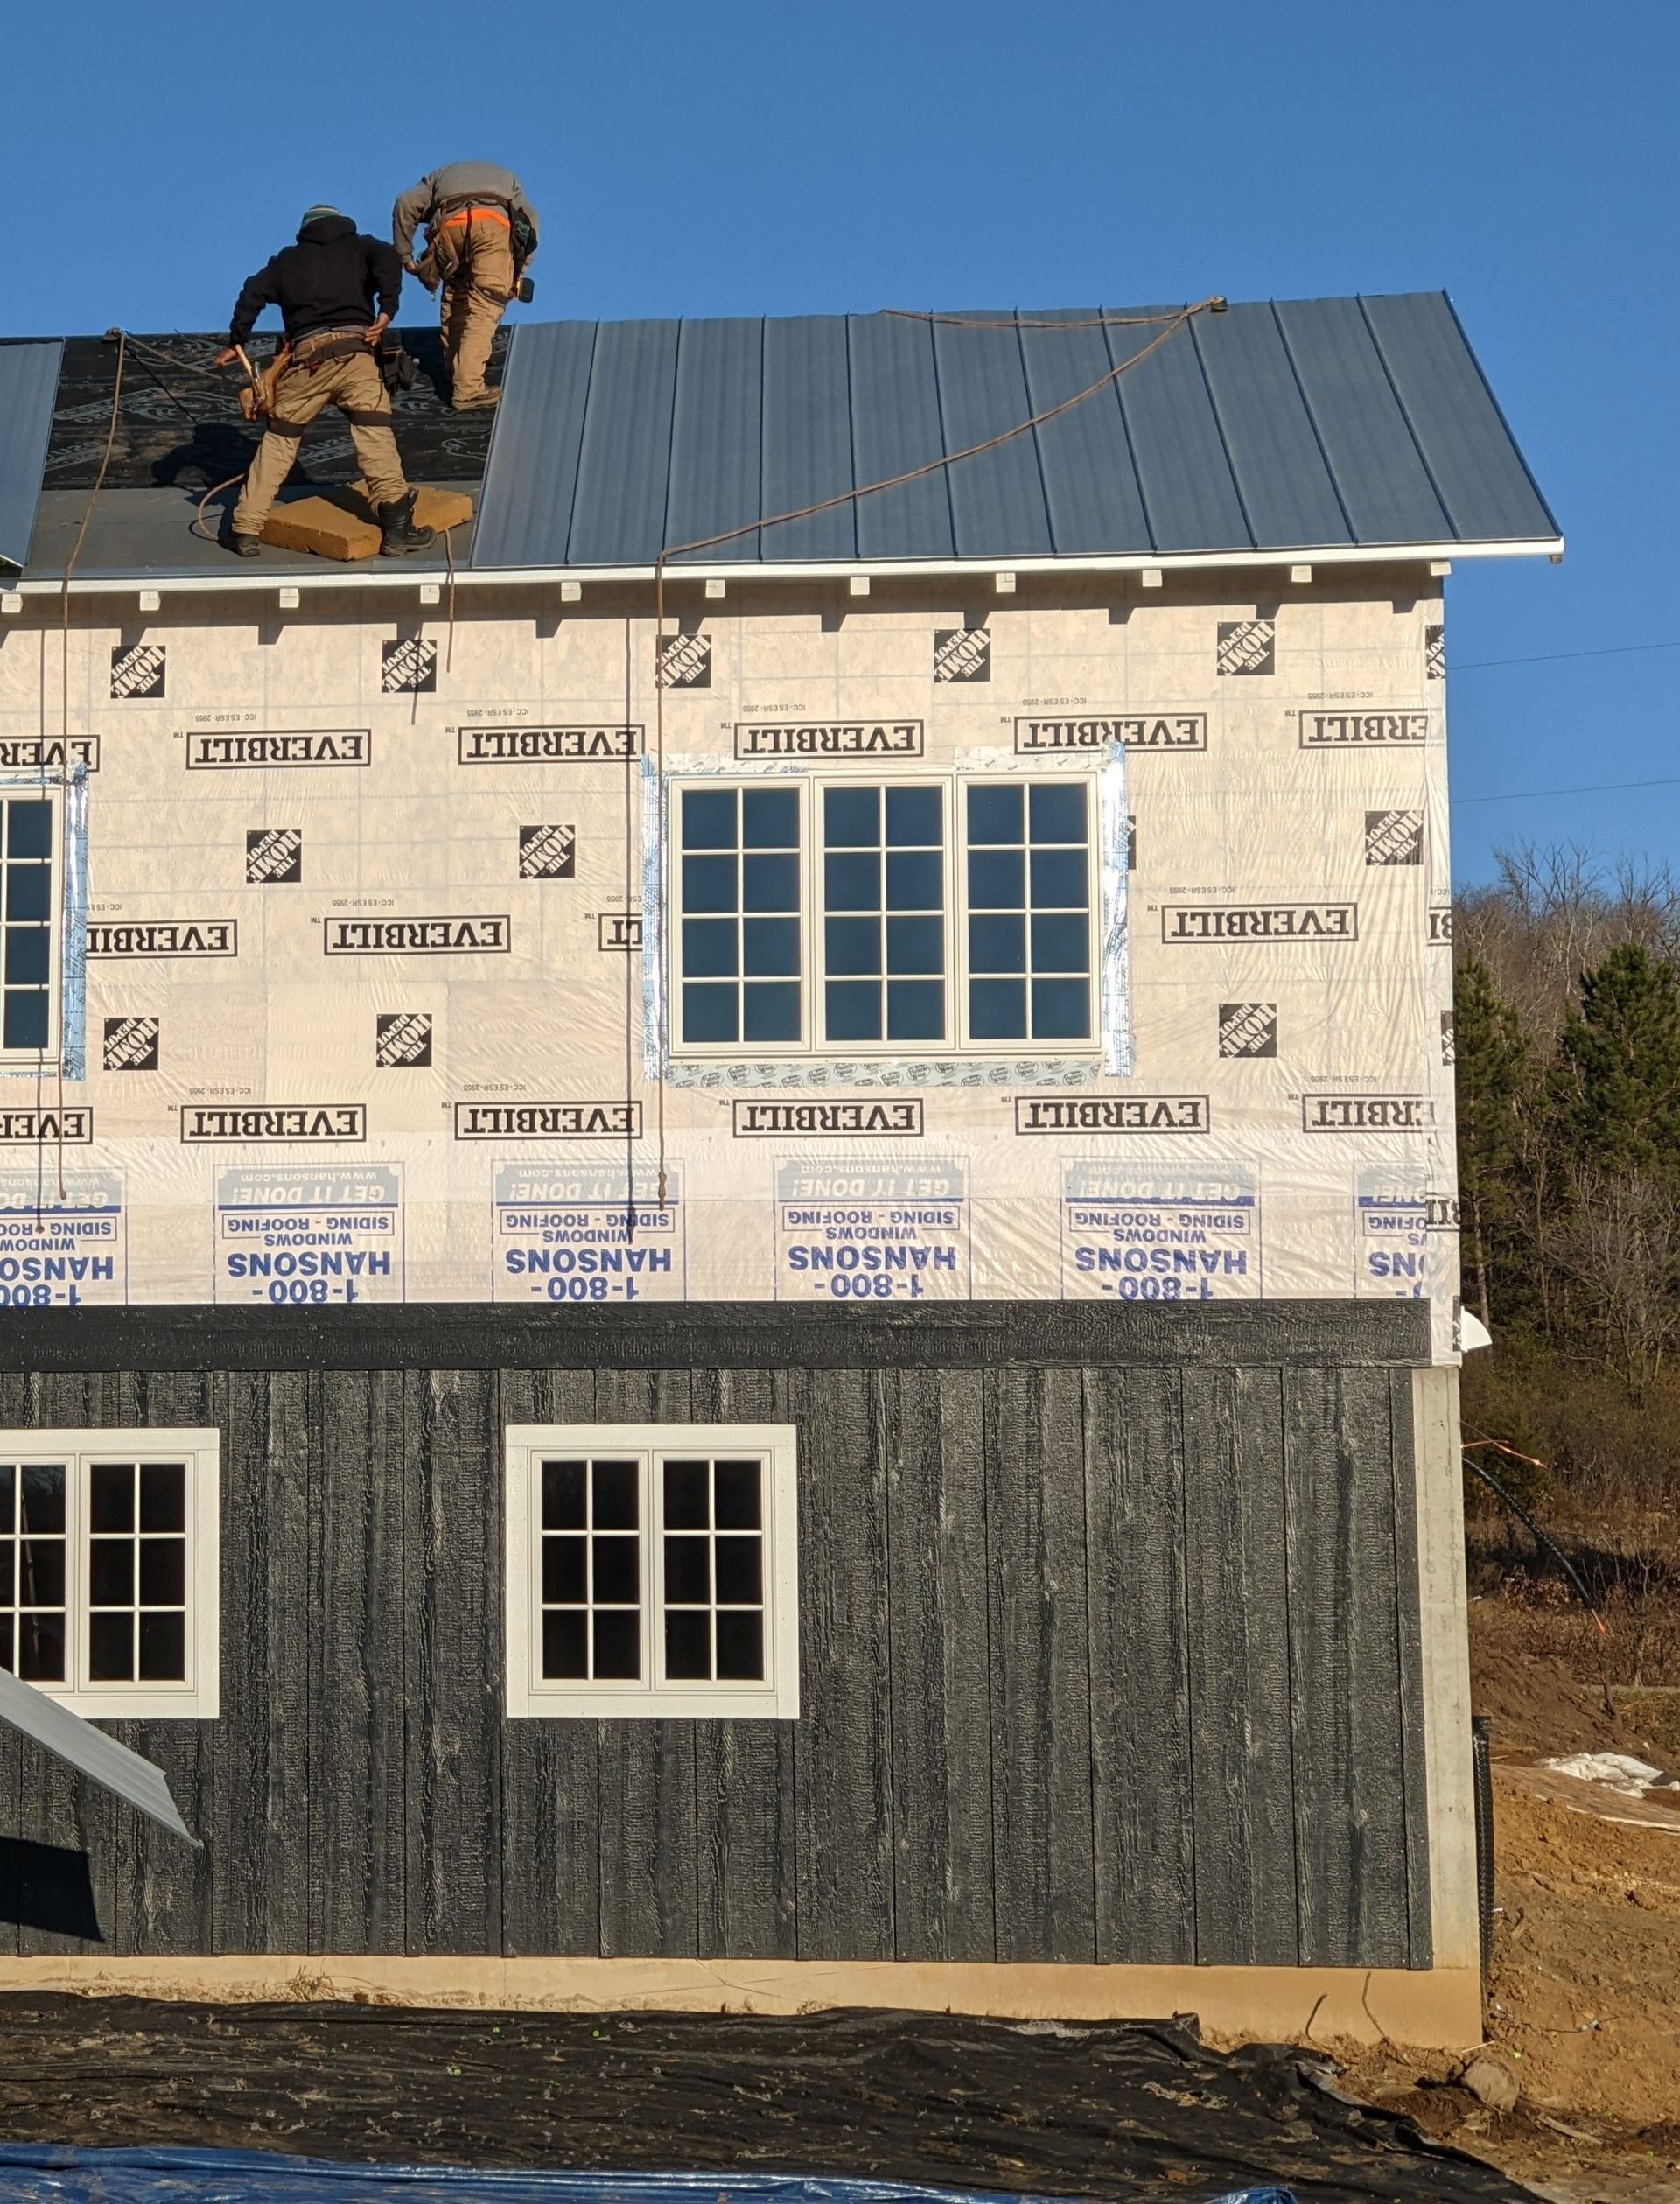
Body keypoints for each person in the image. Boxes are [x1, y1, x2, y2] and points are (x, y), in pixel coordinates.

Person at [216, 205, 434, 559]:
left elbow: (251, 292)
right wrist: (386, 310)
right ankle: (397, 529)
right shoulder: (362, 247)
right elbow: (390, 260)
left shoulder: (287, 261)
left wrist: (236, 339)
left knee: (279, 442)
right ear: (343, 225)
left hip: (306, 364)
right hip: (355, 356)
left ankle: (244, 529)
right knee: (373, 434)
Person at [392, 162, 541, 410]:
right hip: (493, 225)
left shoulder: (436, 178)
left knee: (456, 298)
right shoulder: (508, 179)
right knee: (486, 304)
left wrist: (405, 255)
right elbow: (531, 222)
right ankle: (468, 389)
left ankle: (457, 367)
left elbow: (405, 203)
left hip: (450, 229)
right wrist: (518, 272)